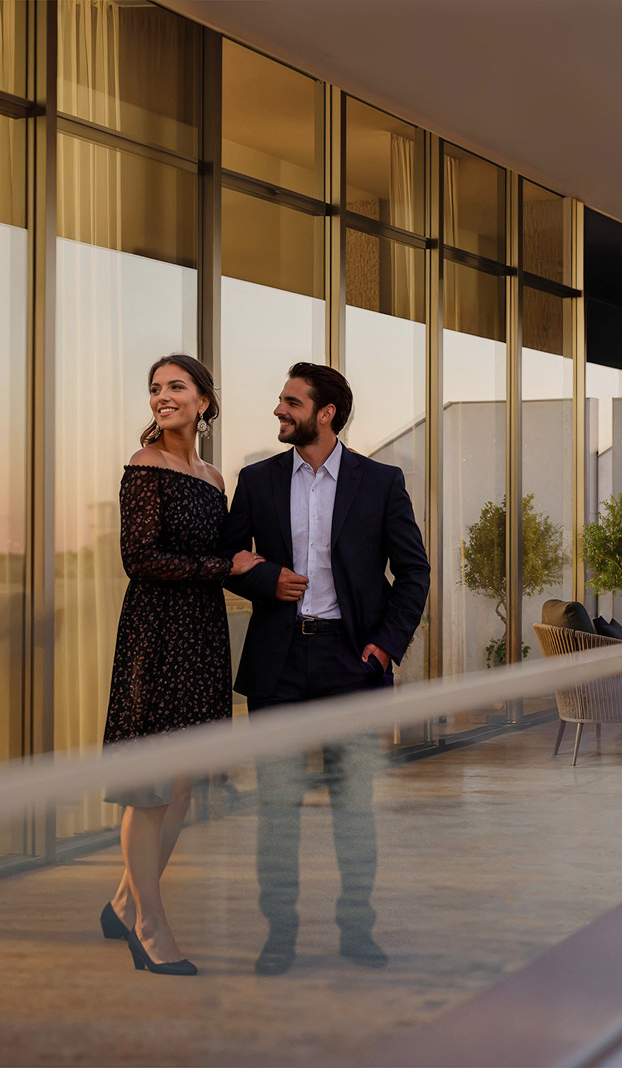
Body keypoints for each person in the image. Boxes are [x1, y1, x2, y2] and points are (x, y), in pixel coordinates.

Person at [221, 362, 430, 976]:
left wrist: (386, 645)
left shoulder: (381, 481)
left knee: (353, 808)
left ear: (326, 412)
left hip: (352, 663)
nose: (279, 411)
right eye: (282, 402)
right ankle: (279, 934)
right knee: (277, 809)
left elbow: (413, 572)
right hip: (278, 664)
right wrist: (266, 577)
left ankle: (357, 930)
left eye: (291, 402)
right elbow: (227, 553)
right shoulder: (256, 480)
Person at [101, 354, 264, 976]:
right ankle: (149, 924)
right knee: (148, 787)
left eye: (176, 387)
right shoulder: (144, 468)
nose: (162, 397)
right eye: (154, 389)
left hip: (202, 634)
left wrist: (250, 566)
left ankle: (121, 902)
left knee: (182, 783)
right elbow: (139, 559)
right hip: (156, 633)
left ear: (203, 400)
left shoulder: (213, 475)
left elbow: (226, 555)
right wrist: (226, 568)